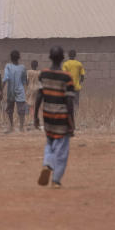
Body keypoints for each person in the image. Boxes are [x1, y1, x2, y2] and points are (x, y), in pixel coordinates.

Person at [33, 47, 76, 189]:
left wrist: (35, 116)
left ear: (50, 57)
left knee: (50, 142)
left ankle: (47, 163)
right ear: (63, 58)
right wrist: (71, 121)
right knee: (62, 149)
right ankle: (56, 180)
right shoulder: (67, 77)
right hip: (61, 116)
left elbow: (39, 95)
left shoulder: (43, 74)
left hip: (47, 116)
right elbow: (69, 101)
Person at [2, 51, 27, 133]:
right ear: (19, 57)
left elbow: (5, 78)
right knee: (22, 110)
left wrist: (1, 90)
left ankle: (11, 126)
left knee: (10, 109)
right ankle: (21, 127)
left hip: (11, 91)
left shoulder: (8, 66)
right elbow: (24, 81)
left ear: (11, 57)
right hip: (20, 90)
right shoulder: (23, 67)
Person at [61, 50, 86, 123]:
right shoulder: (79, 64)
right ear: (75, 55)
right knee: (76, 102)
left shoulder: (65, 64)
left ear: (68, 55)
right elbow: (82, 76)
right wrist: (79, 82)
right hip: (76, 87)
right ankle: (75, 117)